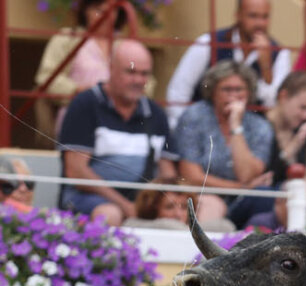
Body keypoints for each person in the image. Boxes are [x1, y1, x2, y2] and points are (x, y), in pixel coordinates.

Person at [57, 39, 178, 226]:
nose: (138, 80)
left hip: (140, 202)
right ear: (111, 69)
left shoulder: (156, 113)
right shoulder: (85, 104)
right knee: (110, 214)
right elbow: (76, 172)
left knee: (191, 211)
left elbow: (167, 172)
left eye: (144, 74)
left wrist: (161, 204)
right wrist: (125, 206)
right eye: (131, 72)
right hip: (87, 198)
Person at [174, 60, 275, 228]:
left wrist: (235, 125)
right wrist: (240, 187)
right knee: (211, 205)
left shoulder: (260, 126)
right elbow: (191, 175)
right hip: (203, 197)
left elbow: (247, 175)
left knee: (264, 196)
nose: (233, 95)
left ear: (249, 92)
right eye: (226, 89)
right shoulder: (194, 117)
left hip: (240, 202)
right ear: (213, 92)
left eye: (239, 89)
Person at [165, 0, 292, 128]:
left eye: (265, 17)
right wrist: (182, 129)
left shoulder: (279, 53)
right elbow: (179, 90)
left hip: (249, 132)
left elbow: (274, 106)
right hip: (205, 126)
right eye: (253, 16)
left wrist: (266, 66)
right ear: (238, 15)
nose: (260, 23)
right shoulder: (209, 42)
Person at [34, 0, 127, 139]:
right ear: (85, 11)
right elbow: (45, 77)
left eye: (112, 10)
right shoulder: (67, 38)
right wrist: (79, 90)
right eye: (99, 10)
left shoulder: (126, 44)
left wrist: (122, 92)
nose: (106, 16)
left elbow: (146, 83)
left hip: (119, 124)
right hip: (77, 120)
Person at [264, 70, 306, 184]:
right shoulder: (260, 128)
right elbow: (266, 178)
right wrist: (293, 147)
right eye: (303, 107)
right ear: (283, 97)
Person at [125, 182, 201, 230]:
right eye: (169, 207)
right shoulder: (131, 227)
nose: (178, 214)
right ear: (152, 209)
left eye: (184, 207)